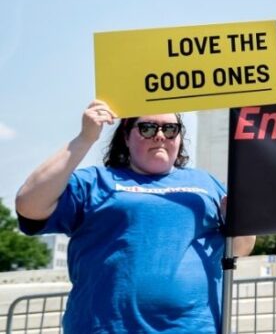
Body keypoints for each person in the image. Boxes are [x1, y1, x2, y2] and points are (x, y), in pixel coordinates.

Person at [16, 100, 255, 333]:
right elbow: (29, 205)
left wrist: (238, 221)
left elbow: (239, 248)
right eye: (148, 128)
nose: (160, 136)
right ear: (126, 137)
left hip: (196, 326)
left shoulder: (207, 183)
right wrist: (85, 138)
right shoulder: (95, 181)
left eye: (170, 129)